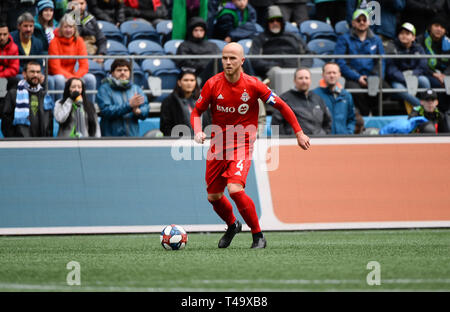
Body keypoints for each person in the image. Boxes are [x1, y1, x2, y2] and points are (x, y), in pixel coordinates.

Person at [190, 42, 311, 249]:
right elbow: (196, 112)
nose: (227, 62)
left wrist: (299, 132)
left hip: (242, 143)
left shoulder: (254, 85)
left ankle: (258, 236)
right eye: (225, 58)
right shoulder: (212, 84)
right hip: (218, 145)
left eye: (232, 58)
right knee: (214, 196)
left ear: (242, 60)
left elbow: (281, 105)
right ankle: (232, 225)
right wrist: (198, 130)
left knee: (235, 189)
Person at [334, 9, 385, 116]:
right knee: (354, 90)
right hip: (353, 77)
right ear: (353, 23)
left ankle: (376, 115)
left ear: (369, 22)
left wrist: (375, 77)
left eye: (364, 20)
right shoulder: (344, 39)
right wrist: (357, 77)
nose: (362, 22)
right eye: (358, 20)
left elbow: (381, 61)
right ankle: (365, 115)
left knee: (385, 88)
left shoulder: (376, 39)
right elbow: (340, 62)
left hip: (372, 76)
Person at [248, 5, 312, 81]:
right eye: (272, 21)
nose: (275, 23)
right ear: (267, 23)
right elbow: (254, 60)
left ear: (282, 22)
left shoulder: (293, 37)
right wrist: (272, 66)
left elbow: (308, 55)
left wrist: (301, 68)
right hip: (272, 74)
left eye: (278, 20)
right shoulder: (259, 39)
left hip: (295, 71)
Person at [48, 13, 96, 103]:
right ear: (61, 28)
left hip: (73, 75)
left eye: (71, 27)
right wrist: (72, 79)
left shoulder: (79, 41)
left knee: (90, 78)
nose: (68, 30)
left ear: (75, 29)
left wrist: (75, 78)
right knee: (59, 79)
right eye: (65, 27)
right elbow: (55, 67)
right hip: (58, 75)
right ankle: (59, 107)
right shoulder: (54, 42)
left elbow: (84, 65)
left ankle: (89, 109)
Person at [271, 67, 332, 135]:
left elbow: (327, 121)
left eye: (306, 78)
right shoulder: (284, 99)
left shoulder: (318, 99)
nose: (304, 81)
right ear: (294, 80)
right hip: (293, 142)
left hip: (318, 142)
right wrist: (285, 141)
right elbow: (275, 125)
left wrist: (323, 135)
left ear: (310, 80)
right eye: (300, 78)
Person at [97, 59, 149, 136]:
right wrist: (129, 105)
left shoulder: (136, 88)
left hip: (132, 137)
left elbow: (146, 108)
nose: (122, 72)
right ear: (112, 73)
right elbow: (106, 110)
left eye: (126, 70)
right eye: (119, 70)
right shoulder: (104, 89)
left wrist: (138, 111)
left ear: (130, 73)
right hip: (111, 138)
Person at [1, 61, 54, 137]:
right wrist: (13, 140)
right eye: (32, 72)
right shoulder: (13, 94)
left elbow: (49, 121)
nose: (35, 75)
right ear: (24, 74)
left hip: (42, 143)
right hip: (20, 144)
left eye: (38, 72)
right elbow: (6, 121)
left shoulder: (45, 95)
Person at [386, 22, 431, 109]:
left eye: (407, 33)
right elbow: (391, 68)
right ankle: (423, 107)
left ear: (413, 37)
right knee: (398, 88)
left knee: (424, 80)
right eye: (401, 33)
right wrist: (404, 78)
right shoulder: (392, 47)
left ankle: (428, 102)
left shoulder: (419, 48)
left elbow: (423, 66)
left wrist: (413, 75)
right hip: (398, 78)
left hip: (414, 76)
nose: (404, 36)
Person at [160, 67, 211, 137]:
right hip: (179, 143)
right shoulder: (169, 102)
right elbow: (165, 127)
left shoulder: (203, 100)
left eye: (192, 80)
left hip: (203, 142)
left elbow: (209, 123)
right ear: (179, 82)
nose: (189, 83)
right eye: (186, 80)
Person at [417, 17, 450, 114]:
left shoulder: (448, 42)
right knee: (437, 85)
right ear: (430, 27)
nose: (439, 29)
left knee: (447, 83)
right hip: (426, 72)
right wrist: (433, 74)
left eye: (442, 27)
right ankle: (439, 113)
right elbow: (420, 62)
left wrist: (445, 74)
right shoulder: (420, 40)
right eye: (436, 26)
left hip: (444, 73)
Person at [313, 62, 357, 135]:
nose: (332, 75)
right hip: (323, 140)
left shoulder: (346, 95)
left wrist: (349, 133)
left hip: (343, 140)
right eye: (329, 73)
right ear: (323, 75)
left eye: (334, 73)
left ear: (339, 75)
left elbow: (351, 119)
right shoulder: (315, 95)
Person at [0, 23, 20, 96]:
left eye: (4, 34)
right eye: (0, 34)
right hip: (5, 74)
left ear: (8, 34)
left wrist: (1, 74)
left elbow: (14, 70)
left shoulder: (14, 48)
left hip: (8, 77)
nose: (2, 37)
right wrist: (4, 68)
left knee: (17, 81)